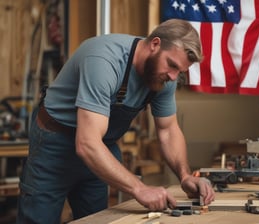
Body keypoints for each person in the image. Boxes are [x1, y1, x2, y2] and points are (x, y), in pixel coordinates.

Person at [17, 19, 215, 223]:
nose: (173, 77)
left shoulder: (165, 77)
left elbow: (168, 130)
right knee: (39, 219)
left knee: (96, 219)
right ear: (155, 44)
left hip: (100, 147)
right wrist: (139, 188)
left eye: (180, 71)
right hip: (55, 145)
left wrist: (185, 176)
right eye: (171, 65)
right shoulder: (104, 60)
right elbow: (86, 144)